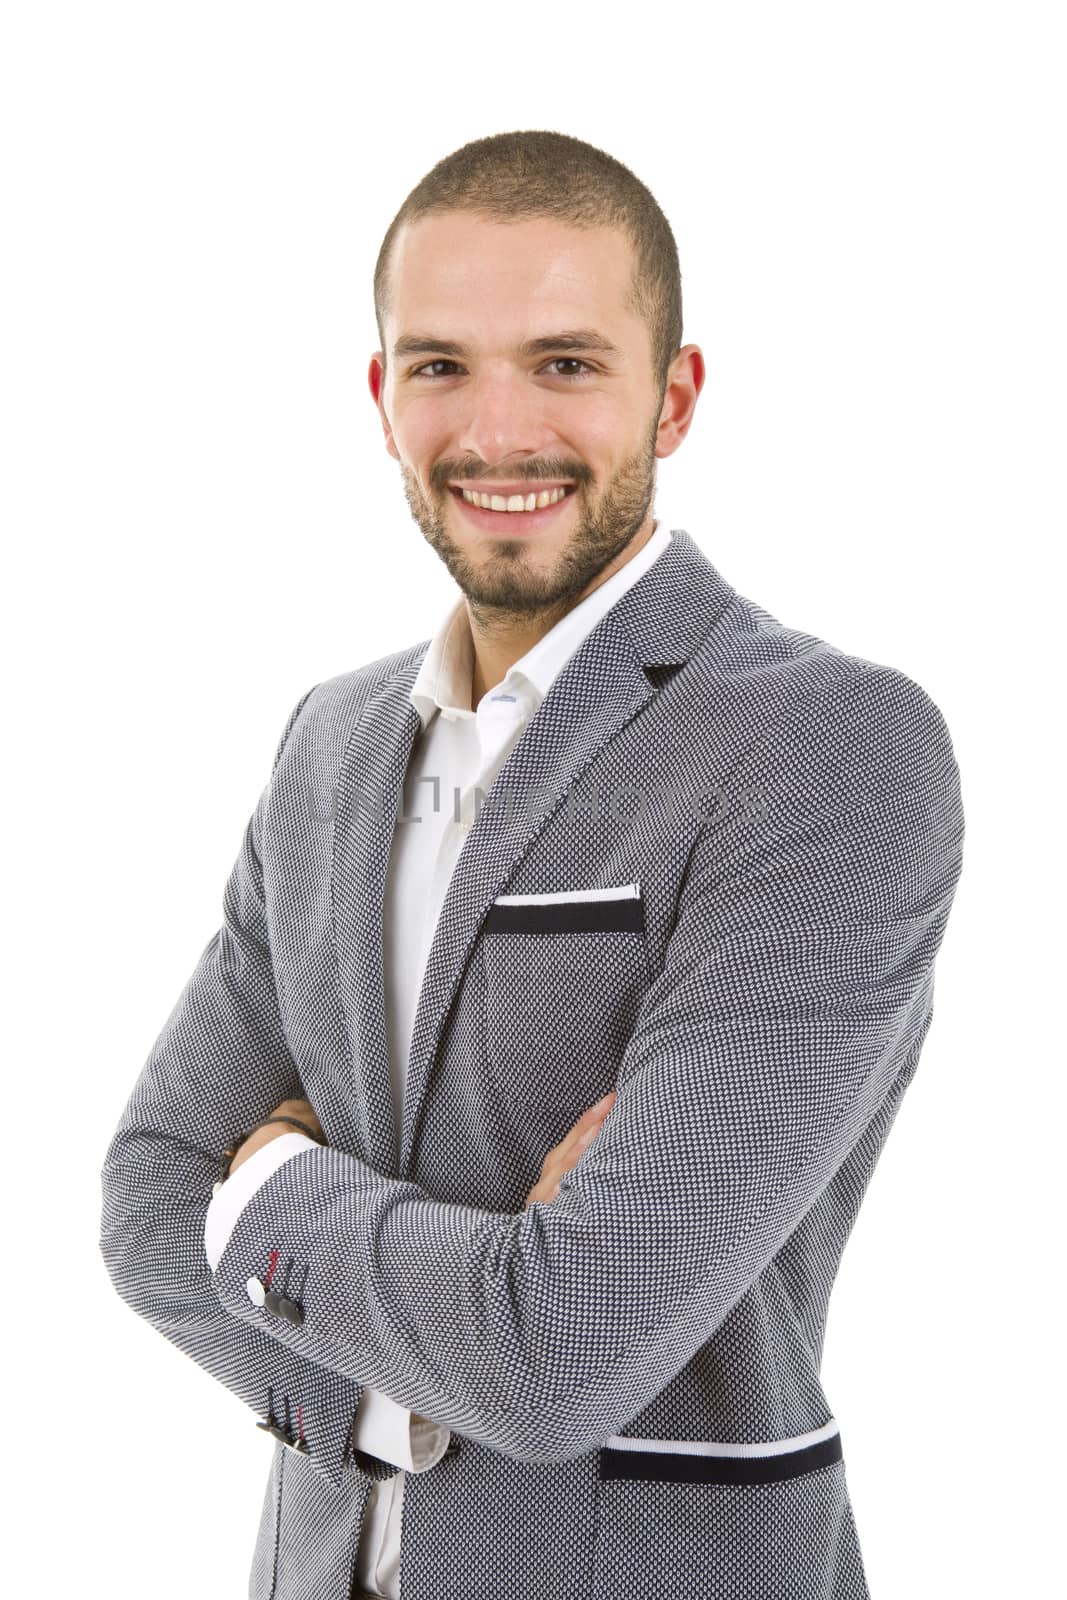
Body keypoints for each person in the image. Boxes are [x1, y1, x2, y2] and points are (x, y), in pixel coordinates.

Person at [100, 129, 965, 1600]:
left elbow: (570, 1345)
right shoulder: (330, 743)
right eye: (441, 366)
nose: (498, 432)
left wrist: (274, 1198)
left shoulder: (831, 746)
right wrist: (402, 1393)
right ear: (382, 400)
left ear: (673, 397)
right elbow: (144, 1199)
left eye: (564, 363)